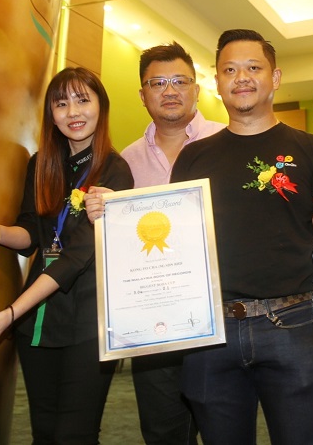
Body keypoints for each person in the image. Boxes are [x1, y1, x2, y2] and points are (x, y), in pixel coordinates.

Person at [169, 29, 313, 444]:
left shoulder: (310, 149)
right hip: (211, 329)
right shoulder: (193, 156)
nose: (241, 77)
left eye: (253, 67)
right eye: (229, 70)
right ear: (217, 83)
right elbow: (176, 242)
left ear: (274, 78)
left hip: (289, 323)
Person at [0, 67, 133, 444]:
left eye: (82, 100)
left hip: (89, 322)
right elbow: (31, 233)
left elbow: (77, 257)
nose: (73, 112)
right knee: (44, 433)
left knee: (75, 434)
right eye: (61, 103)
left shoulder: (115, 171)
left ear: (101, 107)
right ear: (51, 114)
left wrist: (11, 313)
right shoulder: (40, 163)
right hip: (38, 322)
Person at [85, 42, 223, 445]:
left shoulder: (227, 140)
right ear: (142, 95)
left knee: (226, 429)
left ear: (196, 89)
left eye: (180, 80)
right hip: (154, 322)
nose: (170, 90)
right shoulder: (124, 161)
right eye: (157, 83)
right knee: (164, 433)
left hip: (221, 318)